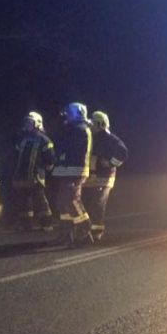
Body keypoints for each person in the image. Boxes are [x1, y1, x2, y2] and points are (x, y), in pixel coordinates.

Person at [52, 102, 93, 246]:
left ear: (78, 114)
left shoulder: (79, 129)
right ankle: (66, 233)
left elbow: (65, 148)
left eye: (69, 113)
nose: (66, 115)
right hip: (66, 170)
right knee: (62, 202)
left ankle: (84, 231)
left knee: (72, 200)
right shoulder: (72, 128)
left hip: (74, 170)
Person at [83, 111, 127, 242]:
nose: (91, 125)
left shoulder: (110, 139)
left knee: (98, 204)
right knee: (88, 202)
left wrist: (110, 163)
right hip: (92, 177)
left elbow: (123, 152)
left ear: (100, 124)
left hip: (104, 178)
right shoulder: (92, 137)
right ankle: (87, 230)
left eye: (93, 123)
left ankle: (97, 232)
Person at [12, 111, 55, 231]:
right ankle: (26, 224)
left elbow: (50, 158)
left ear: (37, 124)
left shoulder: (44, 140)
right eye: (26, 122)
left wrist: (46, 169)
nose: (27, 125)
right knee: (23, 200)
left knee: (40, 200)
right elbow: (16, 155)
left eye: (30, 122)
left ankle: (46, 224)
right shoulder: (23, 139)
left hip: (36, 175)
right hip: (22, 174)